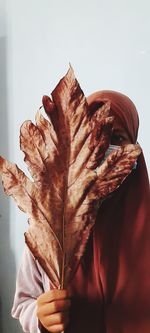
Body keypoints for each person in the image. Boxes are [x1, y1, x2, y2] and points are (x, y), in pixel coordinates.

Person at [11, 90, 150, 333]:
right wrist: (40, 317)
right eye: (95, 136)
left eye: (116, 137)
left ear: (134, 149)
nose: (103, 148)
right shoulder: (50, 226)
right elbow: (23, 303)